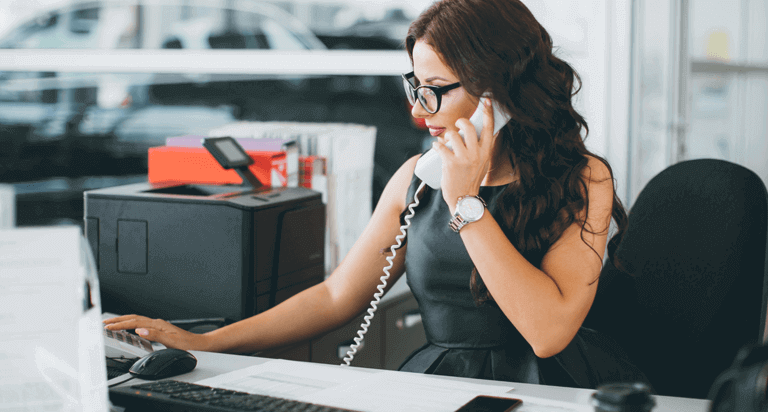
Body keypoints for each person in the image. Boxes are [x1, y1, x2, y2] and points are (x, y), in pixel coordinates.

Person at [105, 0, 648, 389]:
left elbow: (548, 333)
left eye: (436, 91)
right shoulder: (418, 177)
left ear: (498, 90)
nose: (418, 111)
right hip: (440, 382)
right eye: (415, 86)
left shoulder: (582, 180)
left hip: (548, 386)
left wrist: (467, 205)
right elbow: (337, 297)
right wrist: (205, 342)